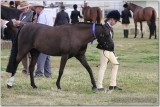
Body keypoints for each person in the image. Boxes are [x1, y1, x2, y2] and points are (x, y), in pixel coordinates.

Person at [96, 10, 122, 91]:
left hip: (109, 50)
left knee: (115, 65)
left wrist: (112, 50)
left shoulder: (109, 27)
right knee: (103, 67)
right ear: (111, 19)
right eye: (116, 21)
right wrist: (106, 50)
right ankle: (99, 86)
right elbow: (100, 39)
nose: (116, 22)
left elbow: (110, 40)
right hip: (104, 50)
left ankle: (112, 85)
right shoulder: (104, 27)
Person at [33, 2, 53, 78]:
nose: (35, 10)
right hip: (50, 36)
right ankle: (48, 73)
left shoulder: (41, 16)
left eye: (35, 8)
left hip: (44, 37)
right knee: (47, 56)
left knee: (41, 55)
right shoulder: (48, 14)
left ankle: (39, 73)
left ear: (39, 8)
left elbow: (39, 28)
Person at [15, 1, 34, 74]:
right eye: (21, 8)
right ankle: (26, 69)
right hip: (22, 35)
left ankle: (29, 69)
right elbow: (21, 23)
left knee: (29, 54)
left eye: (23, 8)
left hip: (29, 36)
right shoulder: (21, 14)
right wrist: (17, 24)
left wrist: (21, 23)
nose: (22, 10)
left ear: (27, 7)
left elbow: (32, 24)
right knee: (23, 53)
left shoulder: (32, 14)